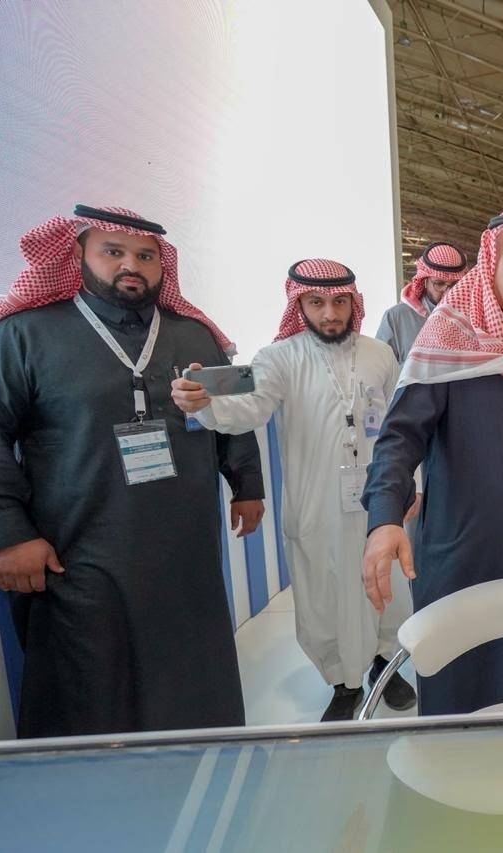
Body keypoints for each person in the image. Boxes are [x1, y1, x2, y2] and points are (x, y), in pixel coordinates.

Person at [0, 205, 264, 737]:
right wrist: (9, 534)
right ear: (77, 254)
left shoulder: (195, 334)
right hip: (81, 545)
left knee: (189, 668)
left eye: (145, 256)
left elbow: (234, 411)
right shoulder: (25, 334)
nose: (131, 266)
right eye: (113, 252)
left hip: (183, 543)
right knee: (89, 676)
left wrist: (246, 484)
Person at [360, 205, 503, 715]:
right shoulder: (449, 342)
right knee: (462, 700)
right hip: (463, 555)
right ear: (492, 262)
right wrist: (383, 519)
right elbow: (398, 439)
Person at [172, 259, 414, 722]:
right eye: (316, 302)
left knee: (389, 586)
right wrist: (205, 406)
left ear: (353, 302)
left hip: (378, 497)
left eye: (340, 302)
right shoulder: (278, 358)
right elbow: (250, 410)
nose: (330, 313)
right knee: (325, 592)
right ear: (298, 303)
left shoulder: (379, 355)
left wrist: (410, 486)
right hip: (315, 502)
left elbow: (398, 427)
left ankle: (387, 662)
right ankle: (343, 683)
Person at [376, 242, 468, 364]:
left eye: (455, 285)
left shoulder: (473, 317)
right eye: (439, 284)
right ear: (424, 281)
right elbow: (380, 368)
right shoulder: (396, 317)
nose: (448, 293)